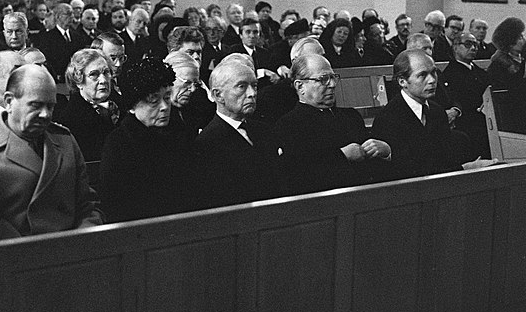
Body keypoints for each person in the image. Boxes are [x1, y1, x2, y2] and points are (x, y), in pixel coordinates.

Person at [0, 64, 102, 241]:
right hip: (17, 259)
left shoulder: (64, 140)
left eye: (51, 106)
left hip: (75, 249)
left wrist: (84, 240)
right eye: (36, 105)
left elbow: (88, 205)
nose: (46, 114)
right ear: (8, 101)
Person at [99, 57, 201, 222]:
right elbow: (118, 205)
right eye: (154, 101)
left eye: (167, 97)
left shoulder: (178, 132)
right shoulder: (119, 144)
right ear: (132, 106)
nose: (164, 107)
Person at [274, 54, 391, 194]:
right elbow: (300, 177)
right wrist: (342, 156)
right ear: (300, 86)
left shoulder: (351, 116)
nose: (332, 84)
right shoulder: (288, 125)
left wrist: (385, 151)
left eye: (333, 77)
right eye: (323, 79)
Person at [372, 50, 495, 180]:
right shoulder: (387, 119)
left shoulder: (436, 111)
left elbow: (444, 161)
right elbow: (408, 171)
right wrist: (466, 168)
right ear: (402, 82)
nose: (432, 80)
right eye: (422, 75)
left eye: (434, 72)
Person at [195, 61, 283, 208]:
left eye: (254, 86)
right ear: (218, 95)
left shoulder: (264, 130)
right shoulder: (206, 144)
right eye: (242, 87)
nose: (252, 94)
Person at [55, 49, 119, 161]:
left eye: (106, 72)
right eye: (94, 74)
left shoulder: (118, 106)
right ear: (78, 81)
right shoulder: (70, 120)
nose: (103, 80)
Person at [442, 32, 491, 160]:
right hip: (467, 125)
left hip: (486, 121)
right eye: (468, 44)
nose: (473, 48)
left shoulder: (481, 72)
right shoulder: (449, 74)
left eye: (475, 45)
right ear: (455, 47)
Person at [488, 17, 525, 91]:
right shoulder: (499, 64)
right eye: (520, 37)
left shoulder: (521, 58)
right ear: (510, 42)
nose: (524, 40)